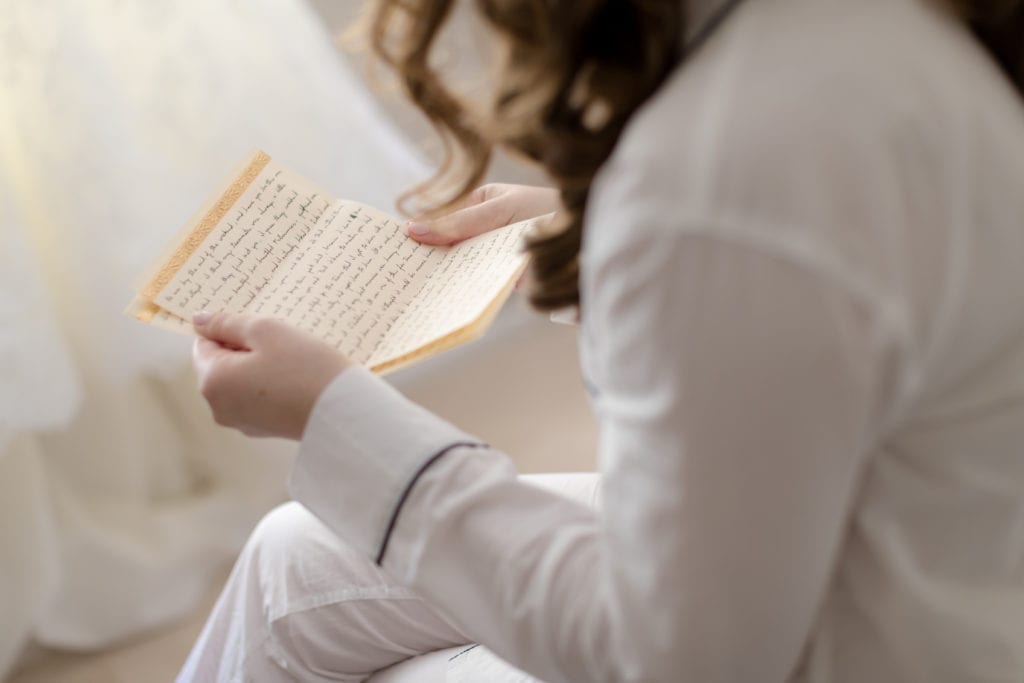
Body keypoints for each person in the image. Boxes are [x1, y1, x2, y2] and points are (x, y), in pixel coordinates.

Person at [179, 0, 1024, 680]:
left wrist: (337, 417)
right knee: (294, 551)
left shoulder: (727, 175)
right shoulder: (850, 38)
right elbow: (794, 314)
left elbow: (670, 657)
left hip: (855, 636)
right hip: (867, 557)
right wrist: (587, 235)